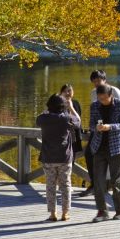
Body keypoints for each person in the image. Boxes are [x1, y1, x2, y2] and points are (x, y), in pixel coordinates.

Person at [87, 82, 120, 221]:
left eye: (104, 98)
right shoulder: (94, 106)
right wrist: (97, 128)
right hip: (98, 147)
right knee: (98, 181)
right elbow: (91, 125)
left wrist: (109, 127)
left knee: (116, 181)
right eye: (100, 98)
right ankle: (102, 211)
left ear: (111, 95)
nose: (102, 101)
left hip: (116, 147)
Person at [36, 92, 81, 222]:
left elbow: (38, 120)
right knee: (65, 185)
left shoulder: (44, 119)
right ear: (63, 106)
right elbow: (78, 122)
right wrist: (71, 107)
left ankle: (52, 213)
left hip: (48, 157)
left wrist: (47, 110)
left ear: (49, 105)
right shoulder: (66, 118)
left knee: (50, 186)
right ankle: (65, 213)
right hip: (64, 157)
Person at [79, 71, 120, 197]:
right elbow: (93, 113)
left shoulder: (114, 91)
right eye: (94, 81)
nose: (96, 83)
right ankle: (95, 184)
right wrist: (93, 127)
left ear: (105, 80)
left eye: (99, 80)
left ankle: (109, 187)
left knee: (113, 159)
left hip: (113, 129)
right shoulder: (93, 93)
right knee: (89, 153)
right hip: (99, 129)